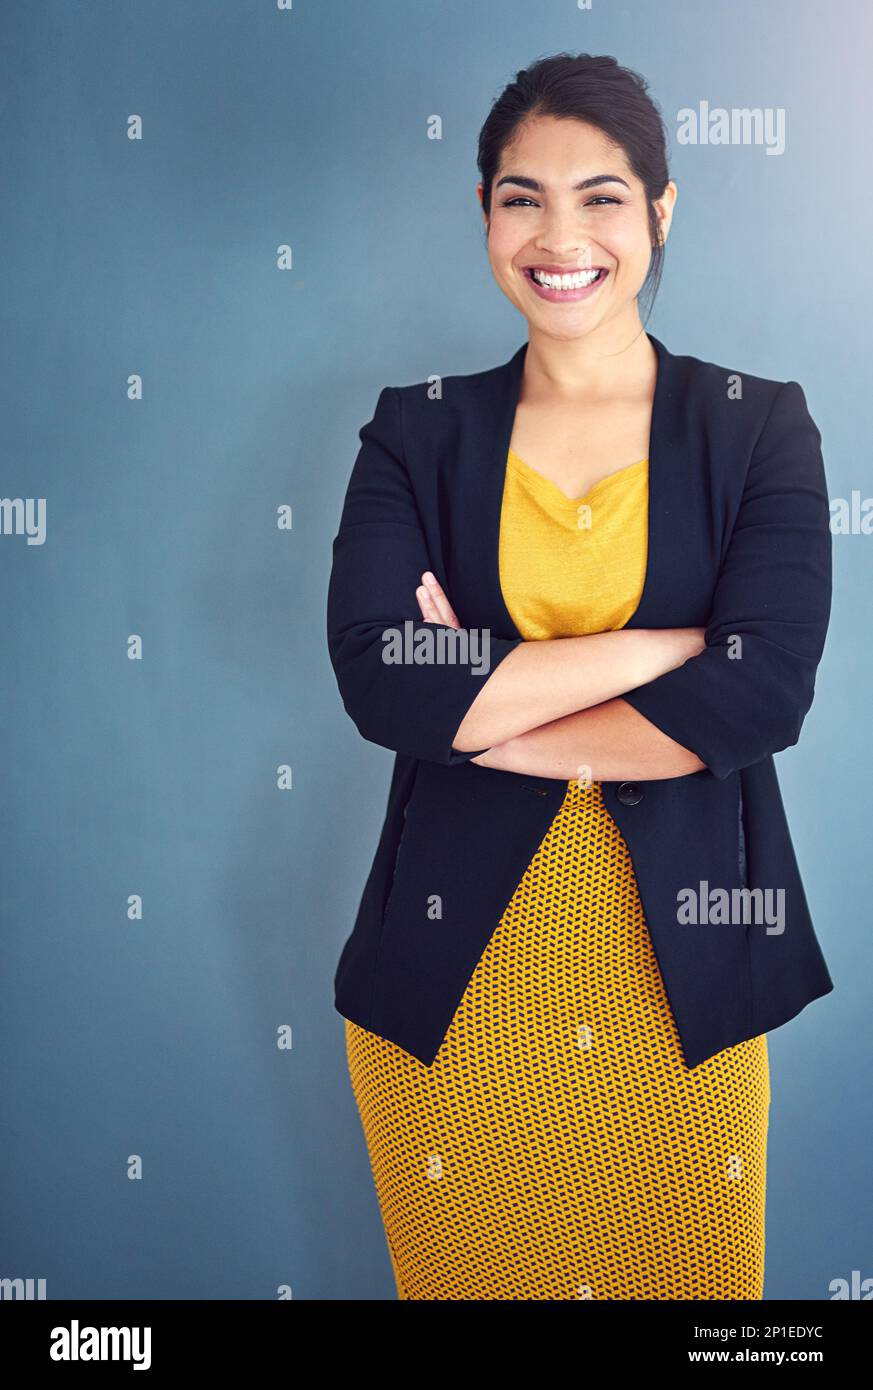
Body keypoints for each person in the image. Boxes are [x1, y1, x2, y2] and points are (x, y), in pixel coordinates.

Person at [326, 52, 833, 1300]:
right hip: (455, 995)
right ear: (487, 216)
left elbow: (762, 695)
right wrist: (671, 648)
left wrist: (490, 703)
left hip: (686, 989)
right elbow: (388, 683)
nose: (560, 236)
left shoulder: (758, 424)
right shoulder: (419, 427)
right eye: (521, 197)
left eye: (602, 196)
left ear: (662, 212)